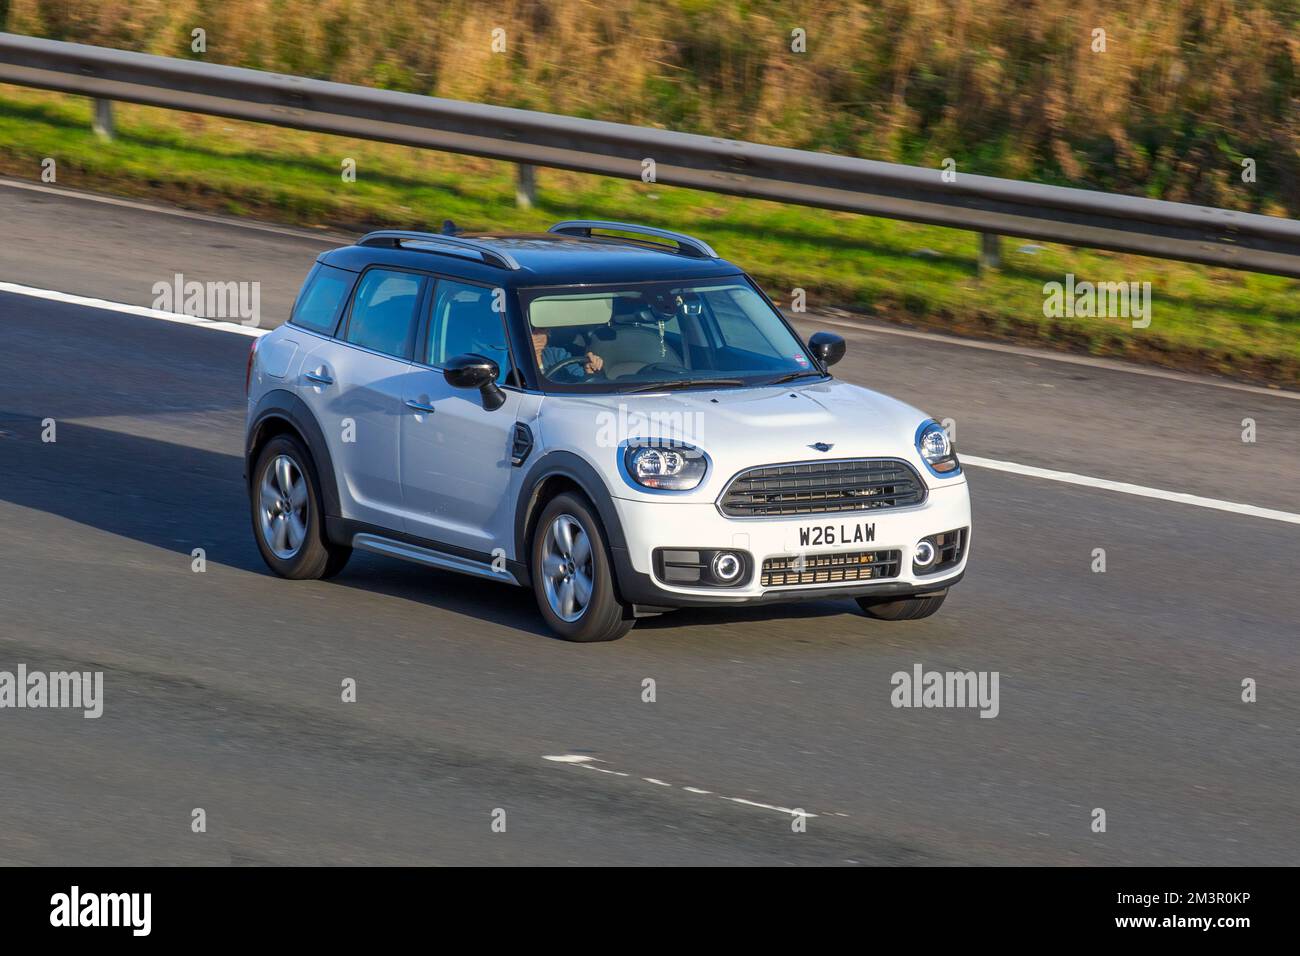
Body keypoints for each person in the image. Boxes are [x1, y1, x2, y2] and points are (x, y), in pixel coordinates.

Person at [531, 326, 604, 381]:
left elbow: (578, 377)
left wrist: (588, 372)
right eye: (531, 329)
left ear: (547, 333)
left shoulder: (557, 354)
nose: (537, 333)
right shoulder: (519, 364)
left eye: (541, 328)